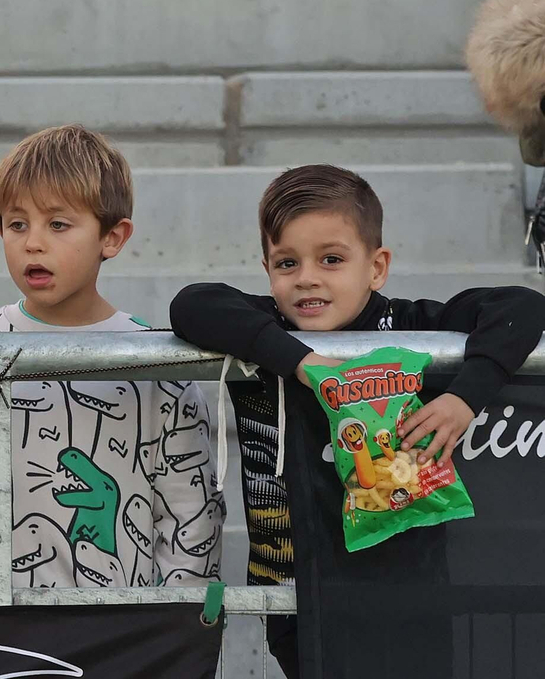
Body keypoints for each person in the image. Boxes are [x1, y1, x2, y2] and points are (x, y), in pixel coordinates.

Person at [169, 164, 545, 678]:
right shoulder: (267, 329)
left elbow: (522, 307)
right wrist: (299, 360)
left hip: (408, 585)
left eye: (331, 259)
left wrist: (464, 398)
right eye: (286, 263)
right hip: (296, 585)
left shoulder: (411, 326)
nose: (306, 278)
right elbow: (192, 304)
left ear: (377, 266)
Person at [0, 125, 223, 590]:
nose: (32, 242)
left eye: (58, 224)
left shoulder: (156, 359)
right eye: (16, 224)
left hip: (120, 632)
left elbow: (189, 509)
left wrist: (176, 629)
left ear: (113, 237)